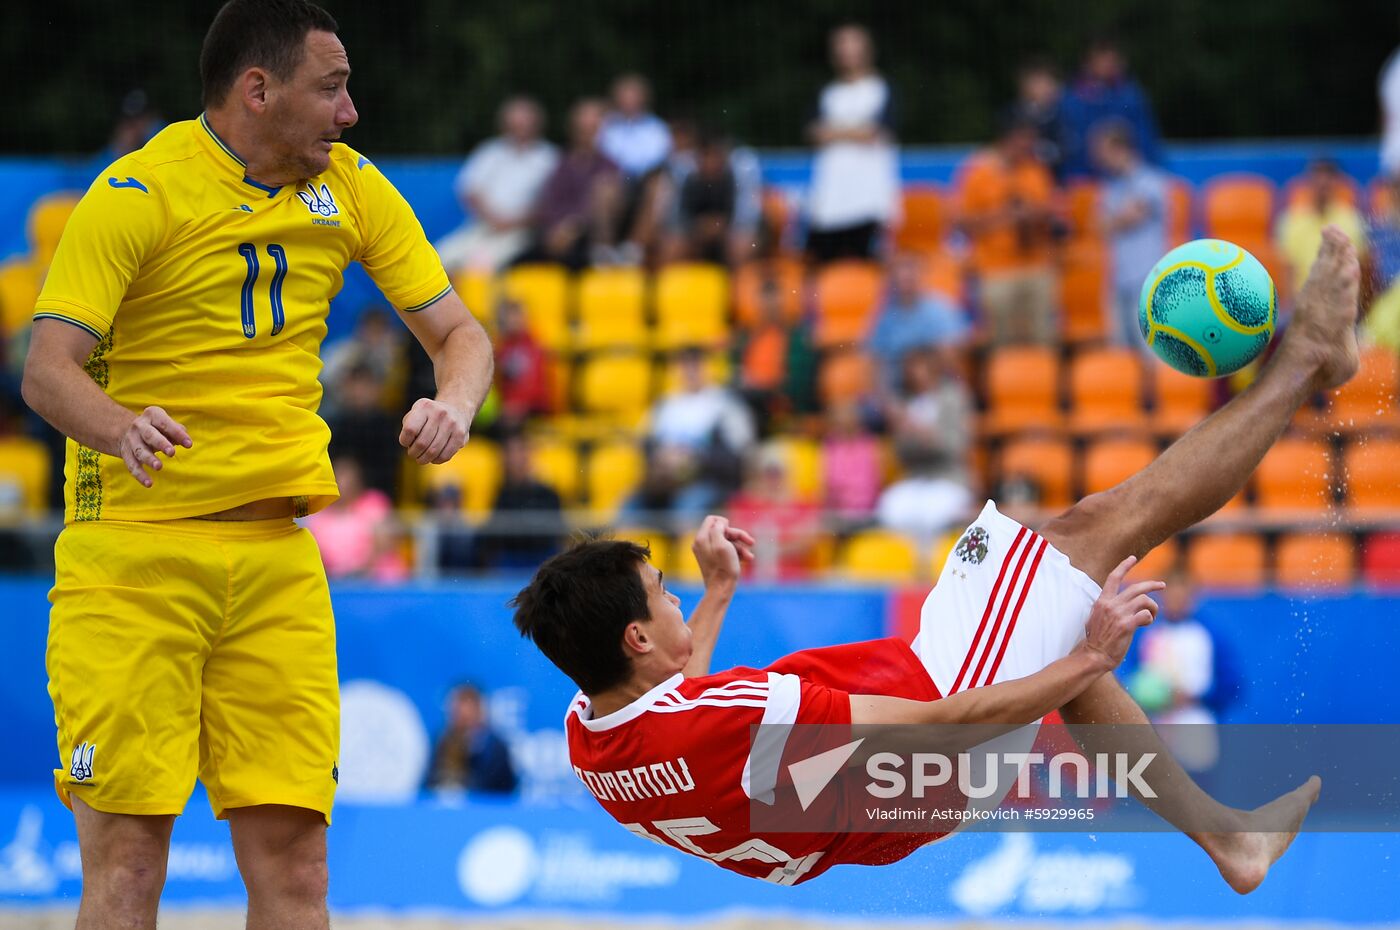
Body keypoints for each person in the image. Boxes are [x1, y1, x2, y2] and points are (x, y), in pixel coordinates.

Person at [511, 226, 1360, 889]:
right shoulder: (728, 713)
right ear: (632, 636)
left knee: (1053, 580)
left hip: (890, 790)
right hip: (939, 732)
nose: (674, 600)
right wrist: (1093, 658)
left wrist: (720, 591)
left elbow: (676, 683)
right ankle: (1306, 360)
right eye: (662, 592)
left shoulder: (591, 732)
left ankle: (1232, 842)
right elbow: (948, 725)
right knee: (1098, 530)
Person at [19, 2, 495, 926]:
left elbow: (461, 335)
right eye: (333, 88)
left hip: (279, 560)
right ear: (257, 89)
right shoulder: (139, 193)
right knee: (127, 862)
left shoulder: (351, 188)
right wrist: (119, 428)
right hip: (134, 556)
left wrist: (456, 403)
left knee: (300, 865)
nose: (351, 112)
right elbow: (46, 371)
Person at [956, 114, 1061, 346]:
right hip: (996, 269)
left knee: (1043, 340)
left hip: (1036, 266)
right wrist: (1003, 216)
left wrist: (1029, 214)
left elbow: (1051, 213)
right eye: (1023, 140)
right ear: (1007, 139)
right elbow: (962, 221)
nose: (1027, 146)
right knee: (1001, 344)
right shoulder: (979, 172)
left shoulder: (1036, 171)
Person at [805, 24, 899, 264]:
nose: (846, 52)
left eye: (852, 44)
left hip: (869, 202)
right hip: (830, 203)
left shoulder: (883, 89)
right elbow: (813, 133)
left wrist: (834, 132)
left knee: (868, 272)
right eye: (841, 45)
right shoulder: (826, 92)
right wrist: (856, 130)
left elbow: (876, 132)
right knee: (825, 270)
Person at [628, 348, 755, 525]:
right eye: (684, 365)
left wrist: (695, 459)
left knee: (684, 509)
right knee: (630, 508)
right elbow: (646, 445)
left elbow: (739, 455)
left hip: (708, 481)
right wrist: (662, 459)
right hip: (666, 481)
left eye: (696, 364)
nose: (690, 371)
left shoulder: (726, 404)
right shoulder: (664, 405)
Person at [434, 96, 559, 273]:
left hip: (522, 233)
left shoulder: (549, 158)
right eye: (515, 124)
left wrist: (514, 222)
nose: (519, 129)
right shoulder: (490, 151)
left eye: (524, 124)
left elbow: (551, 203)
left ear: (537, 124)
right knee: (440, 257)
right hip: (482, 226)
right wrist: (492, 218)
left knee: (482, 266)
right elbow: (469, 190)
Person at [1093, 121, 1170, 348]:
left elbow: (1131, 216)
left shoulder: (1151, 181)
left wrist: (1115, 219)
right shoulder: (1110, 187)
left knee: (1150, 350)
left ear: (1120, 149)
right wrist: (1120, 217)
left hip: (1146, 280)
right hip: (1118, 279)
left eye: (1103, 151)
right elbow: (1100, 226)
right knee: (1120, 354)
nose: (1099, 158)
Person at [525, 98, 623, 270]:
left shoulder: (609, 167)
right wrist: (555, 229)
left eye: (592, 128)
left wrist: (573, 226)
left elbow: (601, 209)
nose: (586, 133)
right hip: (552, 235)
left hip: (585, 238)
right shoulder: (558, 162)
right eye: (582, 128)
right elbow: (547, 202)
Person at [1061, 37, 1162, 179]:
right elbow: (1070, 149)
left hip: (1128, 176)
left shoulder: (1131, 96)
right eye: (1101, 59)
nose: (1107, 65)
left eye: (1111, 59)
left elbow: (1146, 142)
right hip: (1085, 180)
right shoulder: (1071, 100)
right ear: (1087, 62)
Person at [868, 252, 970, 388]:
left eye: (910, 268)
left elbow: (951, 357)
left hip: (937, 385)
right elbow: (874, 361)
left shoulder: (940, 307)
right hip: (899, 388)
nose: (905, 274)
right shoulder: (884, 314)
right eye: (899, 268)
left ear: (921, 273)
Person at [726, 445, 822, 581]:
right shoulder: (744, 502)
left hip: (794, 580)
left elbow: (809, 541)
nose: (772, 478)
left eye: (777, 473)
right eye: (768, 473)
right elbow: (734, 537)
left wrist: (769, 550)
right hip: (750, 579)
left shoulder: (803, 502)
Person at [304, 454, 406, 581]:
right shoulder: (320, 514)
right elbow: (316, 554)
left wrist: (359, 572)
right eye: (340, 476)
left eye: (348, 477)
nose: (343, 482)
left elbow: (386, 541)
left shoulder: (373, 502)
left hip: (380, 582)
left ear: (357, 480)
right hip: (336, 585)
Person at [1275, 159, 1367, 294]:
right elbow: (1288, 272)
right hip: (1302, 301)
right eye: (1317, 178)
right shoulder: (1290, 221)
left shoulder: (1353, 220)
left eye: (1328, 179)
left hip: (1340, 300)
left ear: (1336, 183)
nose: (1322, 184)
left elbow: (1359, 271)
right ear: (1309, 183)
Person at [475, 433, 565, 570]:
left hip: (542, 557)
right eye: (513, 453)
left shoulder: (547, 492)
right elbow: (494, 532)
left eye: (522, 452)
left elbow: (557, 530)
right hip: (510, 559)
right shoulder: (501, 493)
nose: (518, 459)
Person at [424, 683, 519, 796]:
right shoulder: (442, 741)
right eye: (456, 712)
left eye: (466, 714)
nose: (460, 716)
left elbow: (497, 786)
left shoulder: (495, 747)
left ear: (479, 711)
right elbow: (431, 782)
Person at [324, 360, 403, 496]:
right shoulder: (335, 425)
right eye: (353, 385)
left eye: (364, 385)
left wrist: (358, 480)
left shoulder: (387, 427)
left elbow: (391, 473)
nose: (358, 392)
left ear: (377, 388)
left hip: (376, 498)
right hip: (338, 496)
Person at [493, 297, 552, 428]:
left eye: (517, 316)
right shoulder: (502, 347)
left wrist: (519, 405)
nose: (514, 321)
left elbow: (536, 385)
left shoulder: (535, 345)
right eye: (510, 317)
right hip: (507, 409)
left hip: (534, 408)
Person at [1010, 58, 1068, 181]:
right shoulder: (1014, 116)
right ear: (1026, 86)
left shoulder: (1063, 115)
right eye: (1040, 83)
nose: (1046, 88)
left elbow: (1065, 150)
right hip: (1023, 180)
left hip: (1057, 181)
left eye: (1050, 83)